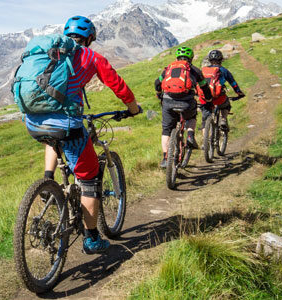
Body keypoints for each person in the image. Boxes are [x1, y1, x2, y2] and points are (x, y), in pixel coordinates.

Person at [23, 16, 142, 254]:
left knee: (52, 138)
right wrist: (133, 108)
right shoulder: (90, 57)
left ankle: (49, 181)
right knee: (90, 178)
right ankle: (92, 238)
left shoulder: (50, 52)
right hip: (67, 124)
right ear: (89, 38)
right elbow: (117, 84)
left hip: (33, 121)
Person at [155, 46, 213, 168]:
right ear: (191, 59)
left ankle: (166, 158)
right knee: (191, 117)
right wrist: (208, 99)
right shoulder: (195, 70)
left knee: (166, 130)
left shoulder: (168, 69)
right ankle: (190, 135)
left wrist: (159, 94)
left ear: (177, 57)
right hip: (186, 103)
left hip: (168, 102)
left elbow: (157, 82)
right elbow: (204, 87)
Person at [200, 49, 245, 134]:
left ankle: (205, 142)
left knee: (205, 119)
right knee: (226, 105)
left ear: (209, 60)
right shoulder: (223, 70)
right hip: (218, 97)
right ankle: (223, 119)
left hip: (205, 98)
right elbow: (233, 83)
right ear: (221, 60)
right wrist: (239, 93)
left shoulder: (204, 70)